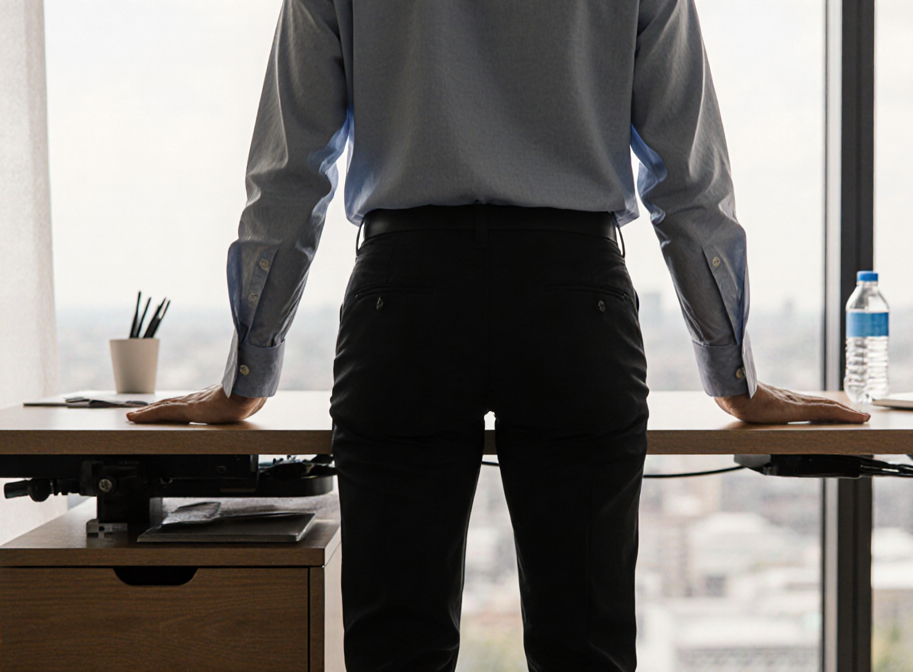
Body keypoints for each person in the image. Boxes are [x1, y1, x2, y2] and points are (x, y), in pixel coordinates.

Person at [128, 0, 870, 669]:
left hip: (407, 302)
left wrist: (247, 378)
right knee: (586, 647)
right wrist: (733, 377)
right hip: (574, 302)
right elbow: (689, 180)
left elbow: (291, 173)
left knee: (396, 646)